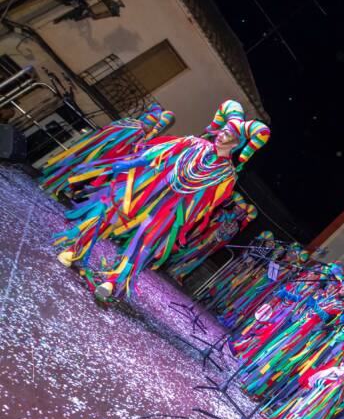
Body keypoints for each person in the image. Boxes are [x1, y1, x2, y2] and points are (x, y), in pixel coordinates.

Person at [54, 100, 268, 299]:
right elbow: (157, 154)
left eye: (229, 134)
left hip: (170, 209)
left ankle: (112, 281)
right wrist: (129, 164)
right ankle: (75, 249)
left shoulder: (227, 177)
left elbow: (206, 205)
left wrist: (182, 220)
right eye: (223, 129)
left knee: (145, 240)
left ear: (237, 142)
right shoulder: (193, 143)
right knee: (110, 213)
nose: (222, 135)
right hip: (146, 190)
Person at [39, 104, 174, 198]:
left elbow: (153, 128)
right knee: (89, 158)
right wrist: (147, 136)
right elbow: (155, 128)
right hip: (122, 136)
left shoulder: (156, 115)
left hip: (124, 137)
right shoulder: (161, 115)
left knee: (94, 162)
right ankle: (60, 183)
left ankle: (64, 185)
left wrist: (145, 138)